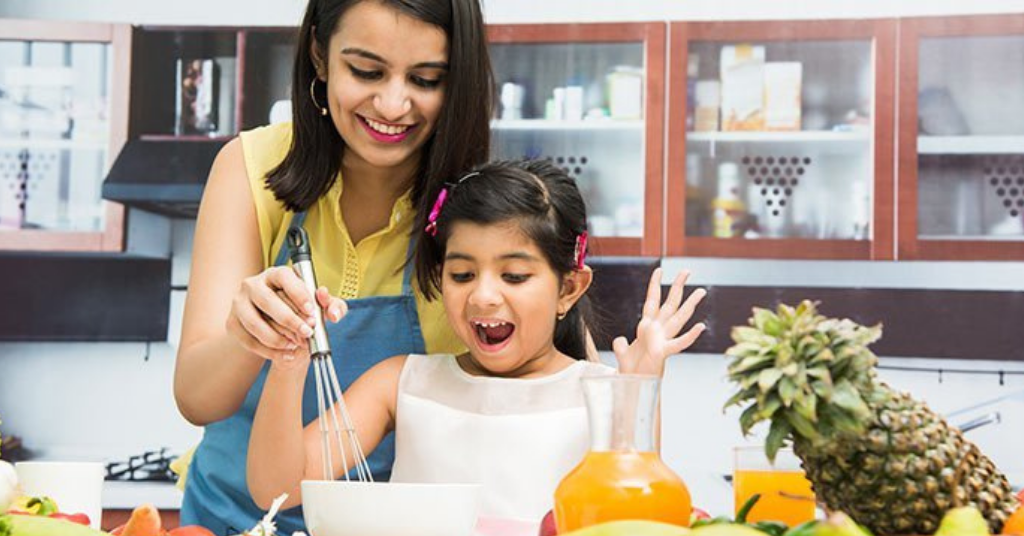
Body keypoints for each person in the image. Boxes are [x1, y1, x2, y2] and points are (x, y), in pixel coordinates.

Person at [172, 0, 493, 532]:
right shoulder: (251, 167)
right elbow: (197, 399)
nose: (393, 104)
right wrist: (250, 336)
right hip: (231, 521)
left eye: (426, 79)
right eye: (366, 71)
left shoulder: (480, 211)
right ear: (320, 57)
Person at [247, 159, 708, 528]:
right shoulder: (400, 383)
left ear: (568, 288)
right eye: (462, 274)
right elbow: (277, 488)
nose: (483, 295)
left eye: (515, 275)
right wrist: (288, 360)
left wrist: (640, 390)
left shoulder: (605, 394)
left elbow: (636, 519)